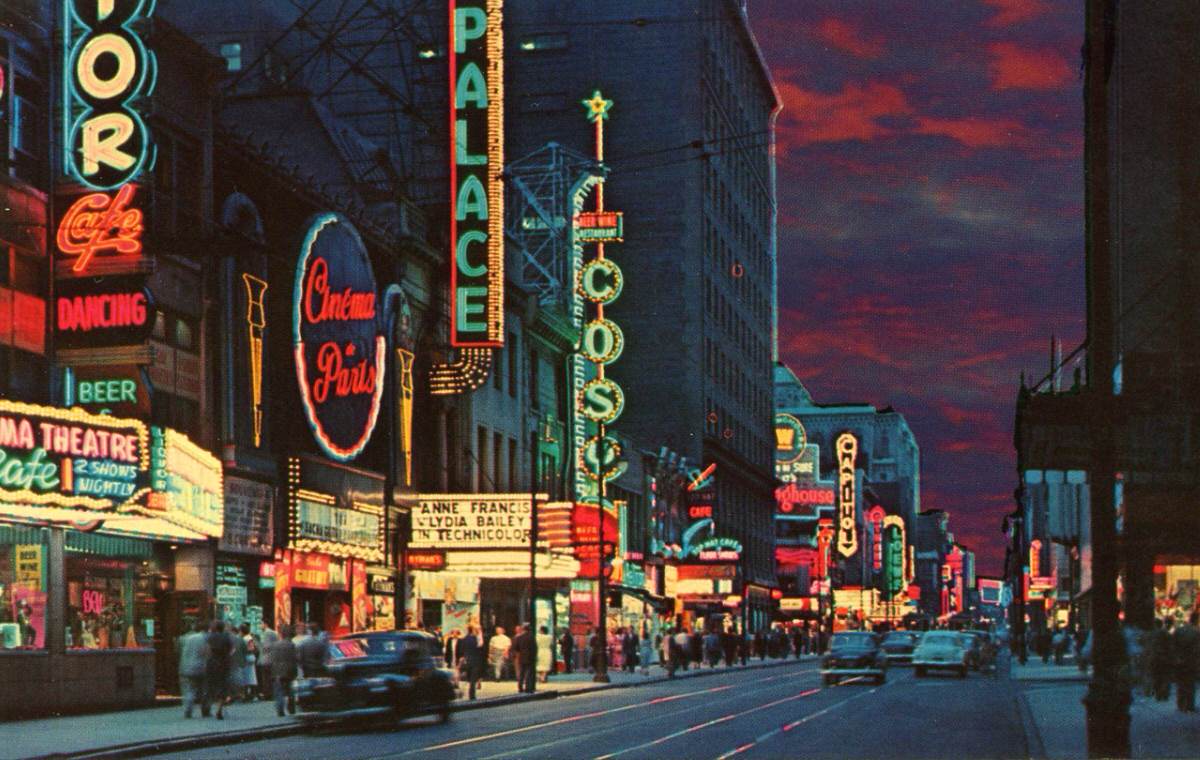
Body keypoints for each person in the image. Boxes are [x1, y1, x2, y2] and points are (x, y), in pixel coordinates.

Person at [178, 621, 209, 718]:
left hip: (187, 667)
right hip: (202, 667)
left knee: (189, 690)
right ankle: (205, 710)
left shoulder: (186, 638)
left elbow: (181, 652)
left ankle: (188, 710)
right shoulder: (205, 639)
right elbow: (207, 653)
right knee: (205, 690)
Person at [205, 621, 234, 719]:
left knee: (210, 685)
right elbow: (232, 650)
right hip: (223, 663)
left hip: (212, 663)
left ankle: (206, 707)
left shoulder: (210, 637)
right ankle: (219, 709)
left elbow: (206, 649)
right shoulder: (226, 637)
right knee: (223, 686)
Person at [268, 624, 298, 717]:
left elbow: (271, 658)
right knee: (290, 690)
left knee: (279, 691)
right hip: (289, 670)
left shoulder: (274, 645)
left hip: (277, 670)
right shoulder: (291, 645)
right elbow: (295, 658)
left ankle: (280, 709)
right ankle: (291, 708)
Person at [1173, 612, 1199, 713]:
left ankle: (1180, 704)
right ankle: (1189, 706)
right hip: (1191, 661)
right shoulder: (1197, 632)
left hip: (1179, 660)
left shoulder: (1178, 630)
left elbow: (1173, 645)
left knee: (1180, 684)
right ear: (1196, 620)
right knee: (1190, 684)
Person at [1150, 618, 1174, 701]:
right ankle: (1163, 694)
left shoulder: (1152, 634)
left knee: (1156, 676)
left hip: (1155, 658)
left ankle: (1158, 694)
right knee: (1164, 676)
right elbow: (1171, 647)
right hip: (1164, 658)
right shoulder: (1167, 634)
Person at [460, 625, 486, 699]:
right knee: (473, 679)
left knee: (468, 678)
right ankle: (472, 694)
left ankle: (467, 692)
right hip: (475, 660)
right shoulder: (476, 639)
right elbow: (481, 646)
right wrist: (480, 633)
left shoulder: (464, 639)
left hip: (467, 660)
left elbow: (461, 650)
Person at [257, 621, 279, 700]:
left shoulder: (267, 633)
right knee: (270, 677)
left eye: (261, 624)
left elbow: (266, 647)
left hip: (266, 658)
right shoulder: (273, 633)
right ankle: (271, 693)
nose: (259, 626)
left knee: (266, 678)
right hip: (272, 658)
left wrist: (258, 643)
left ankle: (268, 694)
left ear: (265, 624)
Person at [512, 625, 535, 693]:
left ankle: (520, 687)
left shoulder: (519, 638)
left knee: (521, 672)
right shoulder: (531, 637)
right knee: (528, 673)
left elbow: (515, 647)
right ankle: (528, 687)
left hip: (521, 657)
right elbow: (534, 648)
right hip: (530, 657)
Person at [239, 623, 259, 701]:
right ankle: (252, 694)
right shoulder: (249, 637)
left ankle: (248, 694)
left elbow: (249, 648)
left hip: (247, 657)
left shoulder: (245, 639)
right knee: (252, 676)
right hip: (251, 657)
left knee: (246, 677)